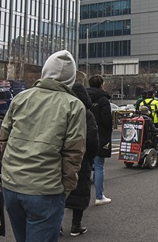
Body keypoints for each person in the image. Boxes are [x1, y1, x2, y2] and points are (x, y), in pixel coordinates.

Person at [0, 50, 86, 242]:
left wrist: (10, 168)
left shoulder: (22, 98)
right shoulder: (74, 105)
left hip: (12, 185)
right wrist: (66, 188)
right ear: (71, 77)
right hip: (46, 189)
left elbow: (3, 138)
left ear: (45, 71)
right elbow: (74, 153)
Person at [63, 83, 99, 237]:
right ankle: (75, 225)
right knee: (80, 189)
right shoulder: (86, 113)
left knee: (58, 191)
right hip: (81, 156)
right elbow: (92, 139)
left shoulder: (62, 108)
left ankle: (56, 225)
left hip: (59, 156)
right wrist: (89, 158)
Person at [87, 74, 113, 206]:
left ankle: (76, 199)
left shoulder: (82, 97)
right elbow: (107, 121)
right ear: (101, 84)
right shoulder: (103, 100)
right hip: (99, 135)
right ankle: (99, 196)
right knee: (98, 166)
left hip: (83, 134)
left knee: (81, 167)